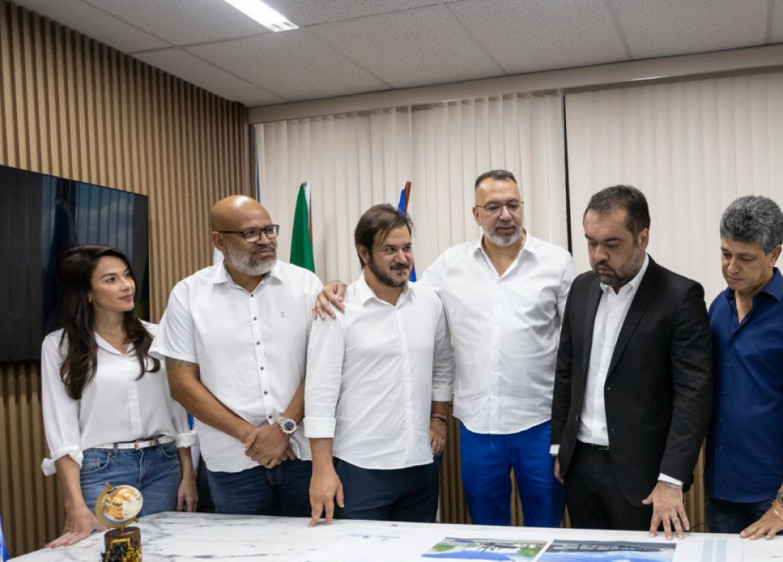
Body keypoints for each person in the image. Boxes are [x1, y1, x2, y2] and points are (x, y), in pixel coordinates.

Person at [315, 171, 574, 527]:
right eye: (493, 207)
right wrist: (338, 286)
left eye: (513, 205)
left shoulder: (556, 262)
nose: (505, 215)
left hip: (540, 421)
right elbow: (396, 288)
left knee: (546, 525)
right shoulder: (451, 265)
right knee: (487, 531)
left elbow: (576, 340)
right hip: (478, 426)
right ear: (476, 214)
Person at [551, 185, 712, 539]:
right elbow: (566, 371)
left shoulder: (679, 297)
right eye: (591, 243)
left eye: (611, 244)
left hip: (645, 477)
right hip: (580, 467)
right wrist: (560, 446)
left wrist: (671, 479)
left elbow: (693, 398)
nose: (598, 255)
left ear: (643, 238)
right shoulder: (582, 289)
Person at [152, 195, 323, 517]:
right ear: (219, 241)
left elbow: (322, 368)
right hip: (233, 461)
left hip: (302, 454)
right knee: (243, 547)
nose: (266, 240)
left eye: (269, 230)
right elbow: (182, 384)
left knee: (312, 543)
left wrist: (283, 429)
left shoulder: (305, 284)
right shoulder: (188, 295)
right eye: (251, 233)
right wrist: (252, 437)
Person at [40, 245, 197, 547]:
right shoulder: (59, 346)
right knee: (108, 558)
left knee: (167, 554)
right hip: (103, 470)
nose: (126, 285)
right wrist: (74, 503)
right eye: (111, 279)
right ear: (87, 292)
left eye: (127, 275)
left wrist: (188, 475)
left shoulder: (157, 336)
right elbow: (62, 430)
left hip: (164, 464)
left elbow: (178, 411)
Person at [305, 205, 452, 525]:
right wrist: (322, 468)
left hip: (420, 465)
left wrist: (439, 417)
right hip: (361, 469)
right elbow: (320, 393)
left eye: (407, 248)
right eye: (389, 250)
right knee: (358, 555)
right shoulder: (337, 308)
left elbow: (442, 365)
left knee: (415, 553)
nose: (402, 258)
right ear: (364, 252)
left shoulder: (430, 302)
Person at [706, 196, 783, 539]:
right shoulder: (718, 307)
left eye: (745, 258)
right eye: (725, 254)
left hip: (777, 495)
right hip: (721, 491)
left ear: (774, 254)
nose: (731, 267)